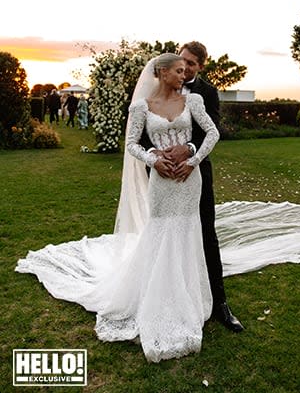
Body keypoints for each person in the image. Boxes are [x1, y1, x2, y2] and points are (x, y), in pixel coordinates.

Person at [17, 53, 220, 363]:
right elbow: (132, 144)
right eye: (178, 71)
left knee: (187, 234)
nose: (183, 75)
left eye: (185, 70)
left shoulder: (192, 102)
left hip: (189, 183)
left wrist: (193, 161)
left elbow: (213, 133)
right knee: (161, 232)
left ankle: (187, 299)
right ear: (161, 72)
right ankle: (156, 299)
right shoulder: (141, 107)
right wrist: (154, 159)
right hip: (162, 183)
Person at [171, 41, 244, 332]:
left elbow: (211, 133)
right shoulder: (161, 84)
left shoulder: (208, 92)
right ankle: (171, 297)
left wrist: (189, 153)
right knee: (168, 235)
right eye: (182, 60)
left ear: (200, 67)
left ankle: (220, 303)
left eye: (191, 63)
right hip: (163, 176)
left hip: (197, 172)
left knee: (206, 235)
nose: (185, 67)